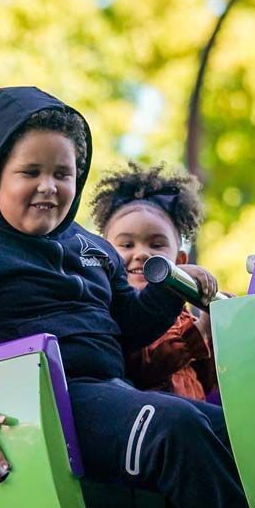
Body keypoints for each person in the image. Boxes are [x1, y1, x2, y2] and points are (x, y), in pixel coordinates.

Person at [0, 86, 250, 508]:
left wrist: (170, 289)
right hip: (46, 409)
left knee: (235, 425)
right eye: (30, 172)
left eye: (63, 173)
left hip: (111, 393)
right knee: (172, 430)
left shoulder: (93, 248)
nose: (48, 186)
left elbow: (129, 327)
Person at [91, 162, 217, 400]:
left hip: (197, 421)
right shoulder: (111, 309)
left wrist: (215, 333)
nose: (142, 254)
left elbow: (208, 382)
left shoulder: (183, 314)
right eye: (127, 245)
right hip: (153, 424)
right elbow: (143, 366)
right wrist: (199, 332)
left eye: (156, 245)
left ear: (180, 260)